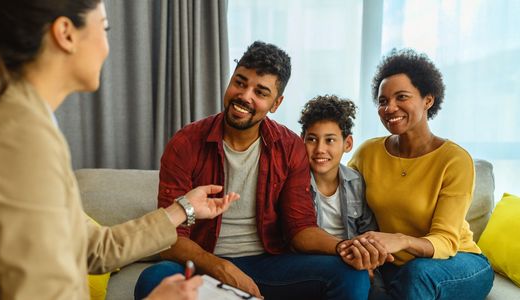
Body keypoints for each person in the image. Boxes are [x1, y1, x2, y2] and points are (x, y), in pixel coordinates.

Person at [0, 1, 239, 299]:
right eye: (104, 28)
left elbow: (93, 248)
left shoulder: (16, 121)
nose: (107, 47)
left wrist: (183, 209)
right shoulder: (15, 136)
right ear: (66, 34)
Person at [134, 41, 390, 300]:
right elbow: (168, 237)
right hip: (204, 262)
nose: (245, 96)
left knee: (351, 274)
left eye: (261, 92)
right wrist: (220, 267)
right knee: (153, 280)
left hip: (269, 265)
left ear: (276, 103)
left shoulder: (289, 147)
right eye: (240, 82)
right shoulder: (186, 143)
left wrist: (345, 247)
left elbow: (300, 230)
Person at [346, 49, 494, 299]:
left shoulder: (454, 160)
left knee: (417, 273)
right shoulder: (367, 153)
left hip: (459, 262)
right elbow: (342, 203)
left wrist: (400, 240)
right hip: (395, 265)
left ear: (428, 99)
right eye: (383, 101)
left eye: (401, 97)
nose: (390, 108)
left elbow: (446, 241)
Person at [299, 95, 377, 240]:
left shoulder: (357, 184)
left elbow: (369, 233)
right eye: (312, 139)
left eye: (330, 140)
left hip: (352, 254)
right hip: (310, 255)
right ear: (301, 140)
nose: (320, 149)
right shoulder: (295, 184)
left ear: (347, 144)